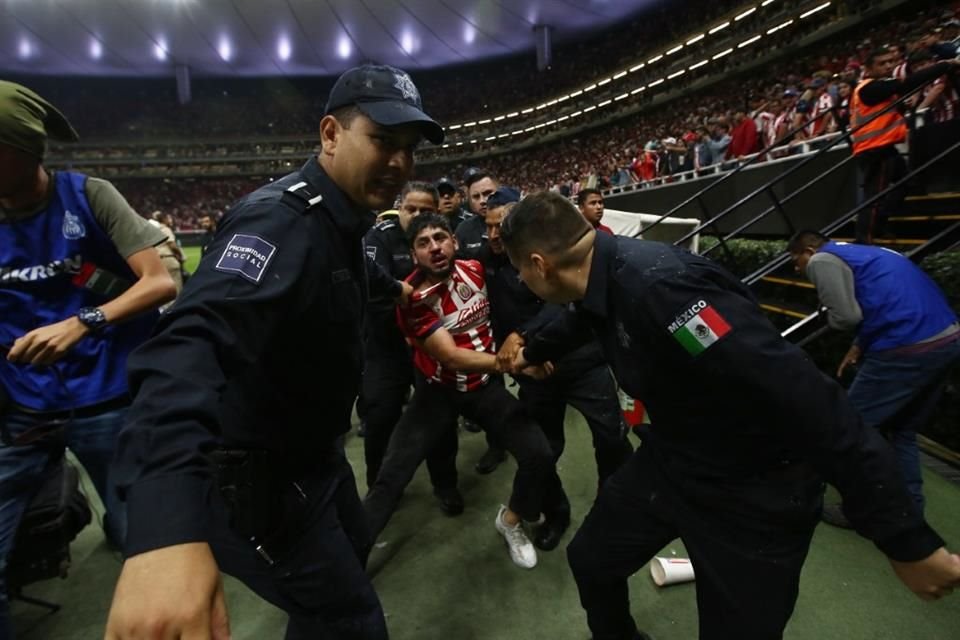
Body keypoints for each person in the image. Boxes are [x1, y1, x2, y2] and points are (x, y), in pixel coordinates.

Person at [501, 191, 960, 640]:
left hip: (755, 491)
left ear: (540, 265)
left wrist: (905, 540)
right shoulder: (597, 271)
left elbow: (808, 402)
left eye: (522, 271)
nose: (522, 282)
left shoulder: (665, 293)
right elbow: (582, 316)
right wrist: (533, 350)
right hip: (678, 460)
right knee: (592, 560)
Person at [104, 64, 443, 640]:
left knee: (346, 567)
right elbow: (191, 344)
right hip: (260, 481)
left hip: (316, 458)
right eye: (383, 140)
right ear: (330, 134)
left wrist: (399, 289)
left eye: (409, 149)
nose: (399, 162)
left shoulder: (341, 218)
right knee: (350, 618)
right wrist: (164, 529)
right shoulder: (279, 222)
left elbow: (341, 274)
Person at [0, 80, 176, 639]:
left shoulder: (89, 196)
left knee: (137, 533)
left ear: (23, 151)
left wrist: (83, 322)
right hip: (21, 410)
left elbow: (160, 282)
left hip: (107, 398)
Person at [363, 214, 556, 569]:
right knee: (391, 477)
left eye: (440, 237)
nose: (434, 247)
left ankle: (510, 521)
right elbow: (451, 357)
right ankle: (349, 563)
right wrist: (516, 363)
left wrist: (525, 342)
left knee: (539, 454)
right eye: (424, 242)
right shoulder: (412, 298)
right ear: (414, 253)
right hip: (438, 391)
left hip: (483, 388)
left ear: (454, 241)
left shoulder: (476, 269)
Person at [482, 187, 632, 551]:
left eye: (500, 226)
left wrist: (524, 338)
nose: (494, 235)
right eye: (488, 227)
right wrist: (520, 361)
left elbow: (567, 303)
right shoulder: (486, 262)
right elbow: (496, 317)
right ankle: (556, 513)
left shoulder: (548, 254)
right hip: (535, 373)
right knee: (544, 450)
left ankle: (614, 510)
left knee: (611, 436)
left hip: (581, 360)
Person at [787, 230, 960, 525]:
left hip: (905, 345)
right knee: (901, 431)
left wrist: (830, 315)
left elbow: (846, 317)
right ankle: (908, 512)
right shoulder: (871, 252)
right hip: (946, 340)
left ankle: (861, 509)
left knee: (850, 428)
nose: (797, 268)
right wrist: (859, 345)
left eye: (796, 260)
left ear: (809, 250)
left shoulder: (823, 260)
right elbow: (885, 301)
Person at [362, 182, 463, 515]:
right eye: (412, 209)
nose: (419, 216)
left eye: (427, 210)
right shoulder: (378, 238)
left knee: (440, 420)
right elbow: (373, 296)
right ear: (399, 207)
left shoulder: (438, 241)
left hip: (431, 346)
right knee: (380, 417)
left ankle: (445, 484)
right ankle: (380, 486)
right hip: (387, 347)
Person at [849, 47, 959, 243]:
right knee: (875, 195)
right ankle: (864, 239)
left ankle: (880, 223)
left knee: (906, 182)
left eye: (890, 62)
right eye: (882, 63)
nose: (888, 66)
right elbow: (909, 82)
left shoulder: (874, 89)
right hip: (876, 149)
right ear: (869, 68)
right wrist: (946, 65)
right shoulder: (869, 87)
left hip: (880, 147)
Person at [149, 210, 185, 301]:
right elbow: (172, 245)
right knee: (176, 290)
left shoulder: (153, 229)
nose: (170, 220)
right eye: (168, 219)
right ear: (164, 219)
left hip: (158, 261)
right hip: (168, 259)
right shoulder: (165, 229)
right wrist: (180, 255)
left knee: (163, 290)